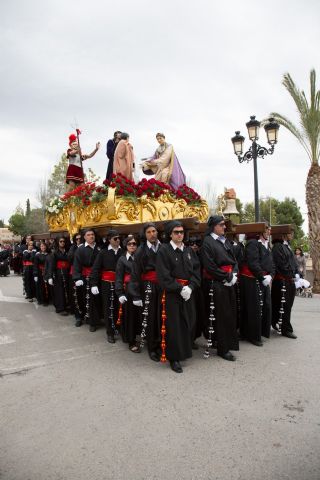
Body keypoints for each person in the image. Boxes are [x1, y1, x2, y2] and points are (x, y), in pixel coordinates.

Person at [156, 221, 201, 373]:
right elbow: (163, 276)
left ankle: (185, 351)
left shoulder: (188, 251)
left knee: (189, 322)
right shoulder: (164, 251)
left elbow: (196, 270)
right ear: (170, 234)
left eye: (181, 231)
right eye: (176, 232)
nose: (180, 234)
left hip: (188, 292)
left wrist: (191, 286)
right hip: (172, 294)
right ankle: (174, 358)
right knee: (174, 326)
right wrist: (180, 289)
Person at [200, 215, 239, 361]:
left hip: (228, 281)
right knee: (221, 316)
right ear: (214, 226)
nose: (224, 227)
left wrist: (234, 274)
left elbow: (234, 261)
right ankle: (223, 348)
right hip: (216, 284)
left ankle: (226, 342)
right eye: (221, 224)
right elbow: (210, 267)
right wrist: (227, 277)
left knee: (230, 314)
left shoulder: (225, 241)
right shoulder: (207, 243)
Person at [128, 223, 162, 362]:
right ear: (145, 234)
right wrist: (135, 294)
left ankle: (162, 342)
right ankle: (152, 348)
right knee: (151, 317)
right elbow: (135, 274)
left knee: (162, 315)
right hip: (148, 286)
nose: (152, 234)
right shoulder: (141, 251)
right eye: (149, 232)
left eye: (154, 231)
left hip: (163, 285)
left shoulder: (164, 247)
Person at [239, 224, 275, 346]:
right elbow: (253, 262)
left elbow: (271, 262)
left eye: (270, 229)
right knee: (253, 308)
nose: (269, 231)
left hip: (263, 278)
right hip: (251, 279)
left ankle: (260, 332)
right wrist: (261, 276)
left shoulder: (267, 245)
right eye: (267, 229)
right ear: (260, 230)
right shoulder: (253, 243)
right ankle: (252, 335)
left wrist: (271, 275)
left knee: (264, 307)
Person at [91, 229, 122, 342]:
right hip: (106, 284)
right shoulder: (103, 253)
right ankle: (110, 332)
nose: (118, 240)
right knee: (108, 307)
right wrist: (93, 284)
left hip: (120, 284)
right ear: (109, 240)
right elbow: (95, 269)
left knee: (119, 307)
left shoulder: (122, 252)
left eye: (119, 238)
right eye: (115, 238)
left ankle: (118, 327)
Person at [271, 229, 300, 339]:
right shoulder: (278, 247)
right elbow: (281, 264)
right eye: (289, 233)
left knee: (287, 305)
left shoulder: (287, 246)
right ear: (283, 234)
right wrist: (291, 274)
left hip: (288, 280)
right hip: (282, 281)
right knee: (284, 305)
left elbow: (293, 263)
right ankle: (285, 329)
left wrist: (297, 273)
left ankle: (281, 324)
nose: (291, 235)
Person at [115, 235, 141, 352]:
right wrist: (120, 293)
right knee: (130, 316)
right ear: (126, 245)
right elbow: (119, 277)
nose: (132, 246)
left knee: (141, 314)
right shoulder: (122, 259)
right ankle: (131, 340)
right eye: (129, 244)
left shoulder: (141, 257)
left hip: (140, 289)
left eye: (134, 244)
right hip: (128, 291)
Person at [73, 229, 101, 331]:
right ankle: (79, 317)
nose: (91, 236)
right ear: (84, 237)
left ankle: (93, 321)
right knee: (81, 298)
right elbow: (76, 264)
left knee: (94, 299)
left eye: (92, 234)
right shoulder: (80, 249)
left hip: (96, 277)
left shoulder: (99, 249)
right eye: (88, 235)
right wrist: (77, 278)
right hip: (84, 277)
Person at [47, 237, 70, 315]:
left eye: (64, 241)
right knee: (59, 291)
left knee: (66, 290)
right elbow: (51, 265)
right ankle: (60, 308)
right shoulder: (54, 253)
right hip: (58, 273)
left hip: (67, 272)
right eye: (61, 241)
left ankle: (67, 306)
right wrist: (50, 276)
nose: (62, 243)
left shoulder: (68, 251)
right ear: (58, 242)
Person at [67, 233, 83, 325]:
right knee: (76, 295)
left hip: (84, 274)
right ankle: (78, 317)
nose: (78, 240)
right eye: (76, 239)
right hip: (74, 274)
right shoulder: (73, 248)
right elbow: (70, 258)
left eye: (80, 239)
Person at [33, 242, 50, 306]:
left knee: (47, 286)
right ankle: (40, 300)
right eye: (42, 246)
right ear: (40, 247)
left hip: (48, 271)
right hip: (40, 272)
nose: (43, 247)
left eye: (44, 246)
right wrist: (35, 274)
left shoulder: (49, 254)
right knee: (40, 286)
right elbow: (35, 265)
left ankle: (47, 300)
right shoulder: (37, 255)